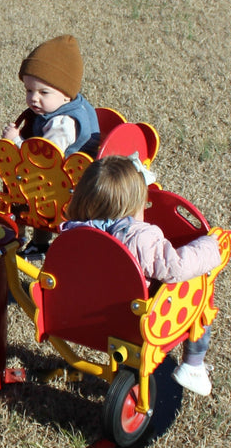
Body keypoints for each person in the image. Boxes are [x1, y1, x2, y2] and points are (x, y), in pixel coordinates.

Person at [61, 155, 221, 396]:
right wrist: (209, 246)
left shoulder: (73, 232)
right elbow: (174, 266)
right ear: (135, 204)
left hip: (83, 318)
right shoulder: (138, 238)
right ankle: (193, 364)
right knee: (200, 299)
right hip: (134, 322)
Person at [1, 35, 101, 259]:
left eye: (43, 92)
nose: (33, 99)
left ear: (66, 94)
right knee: (39, 198)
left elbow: (44, 158)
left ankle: (23, 240)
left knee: (28, 196)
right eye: (28, 90)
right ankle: (39, 244)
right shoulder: (68, 105)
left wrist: (15, 141)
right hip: (64, 180)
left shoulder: (62, 123)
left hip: (67, 184)